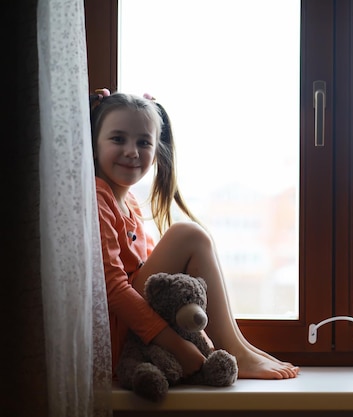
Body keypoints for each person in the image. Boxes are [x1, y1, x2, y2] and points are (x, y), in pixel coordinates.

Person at [90, 89, 299, 380]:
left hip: (136, 333)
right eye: (117, 139)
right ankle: (236, 350)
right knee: (188, 234)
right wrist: (176, 345)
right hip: (118, 335)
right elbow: (113, 289)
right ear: (94, 144)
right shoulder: (96, 197)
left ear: (156, 151)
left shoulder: (130, 204)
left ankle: (236, 345)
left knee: (192, 239)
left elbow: (151, 279)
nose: (131, 151)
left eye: (143, 142)